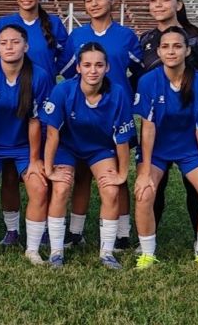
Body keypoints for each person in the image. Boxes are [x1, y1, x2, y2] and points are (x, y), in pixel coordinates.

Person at [60, 0, 143, 250]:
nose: (94, 3)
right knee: (83, 173)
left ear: (112, 1)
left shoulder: (126, 36)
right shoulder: (77, 37)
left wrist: (127, 94)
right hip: (83, 117)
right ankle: (75, 232)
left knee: (118, 173)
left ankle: (122, 233)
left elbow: (141, 69)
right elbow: (69, 72)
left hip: (116, 115)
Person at [0, 0, 69, 246]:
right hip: (10, 106)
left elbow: (66, 59)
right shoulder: (5, 24)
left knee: (42, 168)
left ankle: (42, 227)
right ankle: (12, 229)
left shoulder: (53, 23)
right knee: (10, 173)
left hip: (43, 102)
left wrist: (48, 75)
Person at [133, 26, 198, 271]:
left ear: (187, 50)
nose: (171, 51)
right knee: (144, 193)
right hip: (157, 150)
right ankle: (147, 253)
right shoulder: (148, 81)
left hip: (190, 149)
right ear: (159, 52)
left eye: (177, 46)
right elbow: (148, 129)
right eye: (165, 46)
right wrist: (144, 172)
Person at [40, 42, 133, 269]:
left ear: (107, 68)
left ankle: (107, 253)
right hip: (67, 147)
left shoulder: (117, 93)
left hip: (99, 149)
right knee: (61, 188)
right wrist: (49, 169)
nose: (93, 70)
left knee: (111, 190)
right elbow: (52, 133)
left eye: (99, 65)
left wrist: (122, 174)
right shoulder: (63, 90)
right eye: (87, 65)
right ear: (78, 68)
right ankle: (56, 252)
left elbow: (122, 138)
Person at [138, 0, 198, 239]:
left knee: (196, 186)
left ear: (179, 4)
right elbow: (140, 79)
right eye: (153, 0)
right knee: (154, 185)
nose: (158, 5)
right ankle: (147, 241)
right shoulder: (146, 39)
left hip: (191, 129)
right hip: (158, 127)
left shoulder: (196, 38)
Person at [0, 24, 54, 264]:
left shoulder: (39, 76)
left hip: (24, 146)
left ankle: (32, 249)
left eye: (15, 42)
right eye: (3, 42)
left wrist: (35, 160)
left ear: (26, 46)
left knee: (39, 187)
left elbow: (36, 121)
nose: (9, 47)